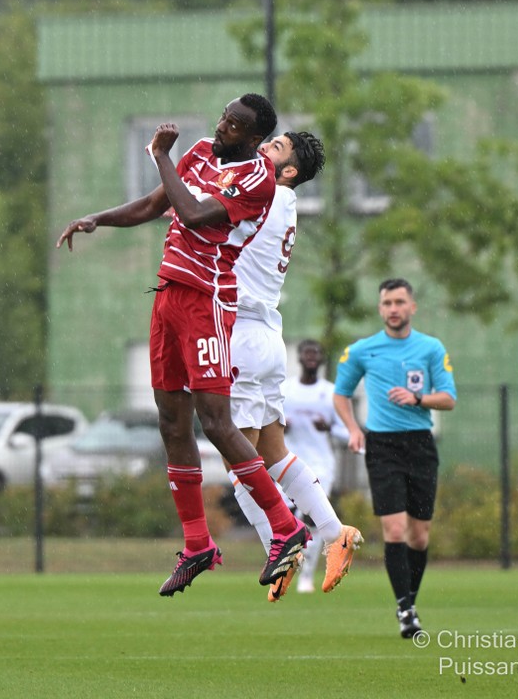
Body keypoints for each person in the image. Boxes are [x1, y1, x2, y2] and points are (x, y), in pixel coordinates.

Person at [57, 94, 310, 597]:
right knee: (172, 422)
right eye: (224, 117)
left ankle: (286, 528)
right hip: (169, 296)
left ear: (254, 138)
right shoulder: (197, 152)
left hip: (207, 301)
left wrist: (159, 155)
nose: (222, 126)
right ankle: (197, 544)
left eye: (234, 124)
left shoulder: (258, 178)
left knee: (215, 422)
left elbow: (192, 214)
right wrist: (97, 218)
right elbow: (156, 204)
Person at [222, 133, 362, 600]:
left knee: (239, 463)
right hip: (264, 335)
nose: (264, 147)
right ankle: (333, 532)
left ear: (288, 172)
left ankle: (281, 545)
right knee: (274, 455)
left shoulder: (265, 194)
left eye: (276, 147)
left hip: (242, 335)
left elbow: (208, 215)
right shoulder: (283, 201)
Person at [332, 278, 457, 638]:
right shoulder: (362, 350)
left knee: (419, 536)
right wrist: (353, 429)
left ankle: (408, 602)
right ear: (380, 308)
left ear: (412, 307)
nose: (393, 309)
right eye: (387, 303)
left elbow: (448, 398)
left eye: (400, 302)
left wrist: (418, 399)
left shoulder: (431, 348)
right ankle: (405, 609)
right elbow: (340, 394)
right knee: (395, 529)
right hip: (383, 446)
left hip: (420, 445)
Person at [279, 339, 352, 594]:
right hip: (288, 463)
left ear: (321, 359)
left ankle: (306, 575)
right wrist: (281, 425)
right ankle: (286, 568)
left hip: (321, 464)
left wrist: (329, 427)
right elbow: (269, 424)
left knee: (312, 517)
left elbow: (348, 432)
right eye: (307, 353)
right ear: (299, 357)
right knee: (287, 520)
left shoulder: (331, 392)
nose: (311, 357)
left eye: (316, 353)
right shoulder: (285, 389)